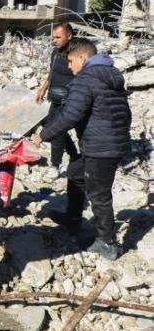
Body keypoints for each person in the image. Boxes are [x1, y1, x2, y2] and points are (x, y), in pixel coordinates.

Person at [34, 38, 131, 260]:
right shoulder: (111, 76)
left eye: (70, 61)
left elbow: (70, 115)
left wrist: (43, 135)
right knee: (76, 173)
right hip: (108, 141)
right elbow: (124, 111)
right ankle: (74, 217)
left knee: (99, 194)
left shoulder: (85, 80)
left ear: (82, 58)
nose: (69, 66)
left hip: (101, 146)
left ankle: (107, 242)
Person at [35, 22, 79, 179]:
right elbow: (52, 73)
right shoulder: (55, 51)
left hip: (68, 99)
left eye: (58, 37)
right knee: (51, 126)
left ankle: (55, 165)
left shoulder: (76, 54)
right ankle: (74, 155)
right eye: (53, 37)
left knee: (57, 130)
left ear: (69, 36)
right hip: (55, 97)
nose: (55, 40)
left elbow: (81, 76)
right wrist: (43, 89)